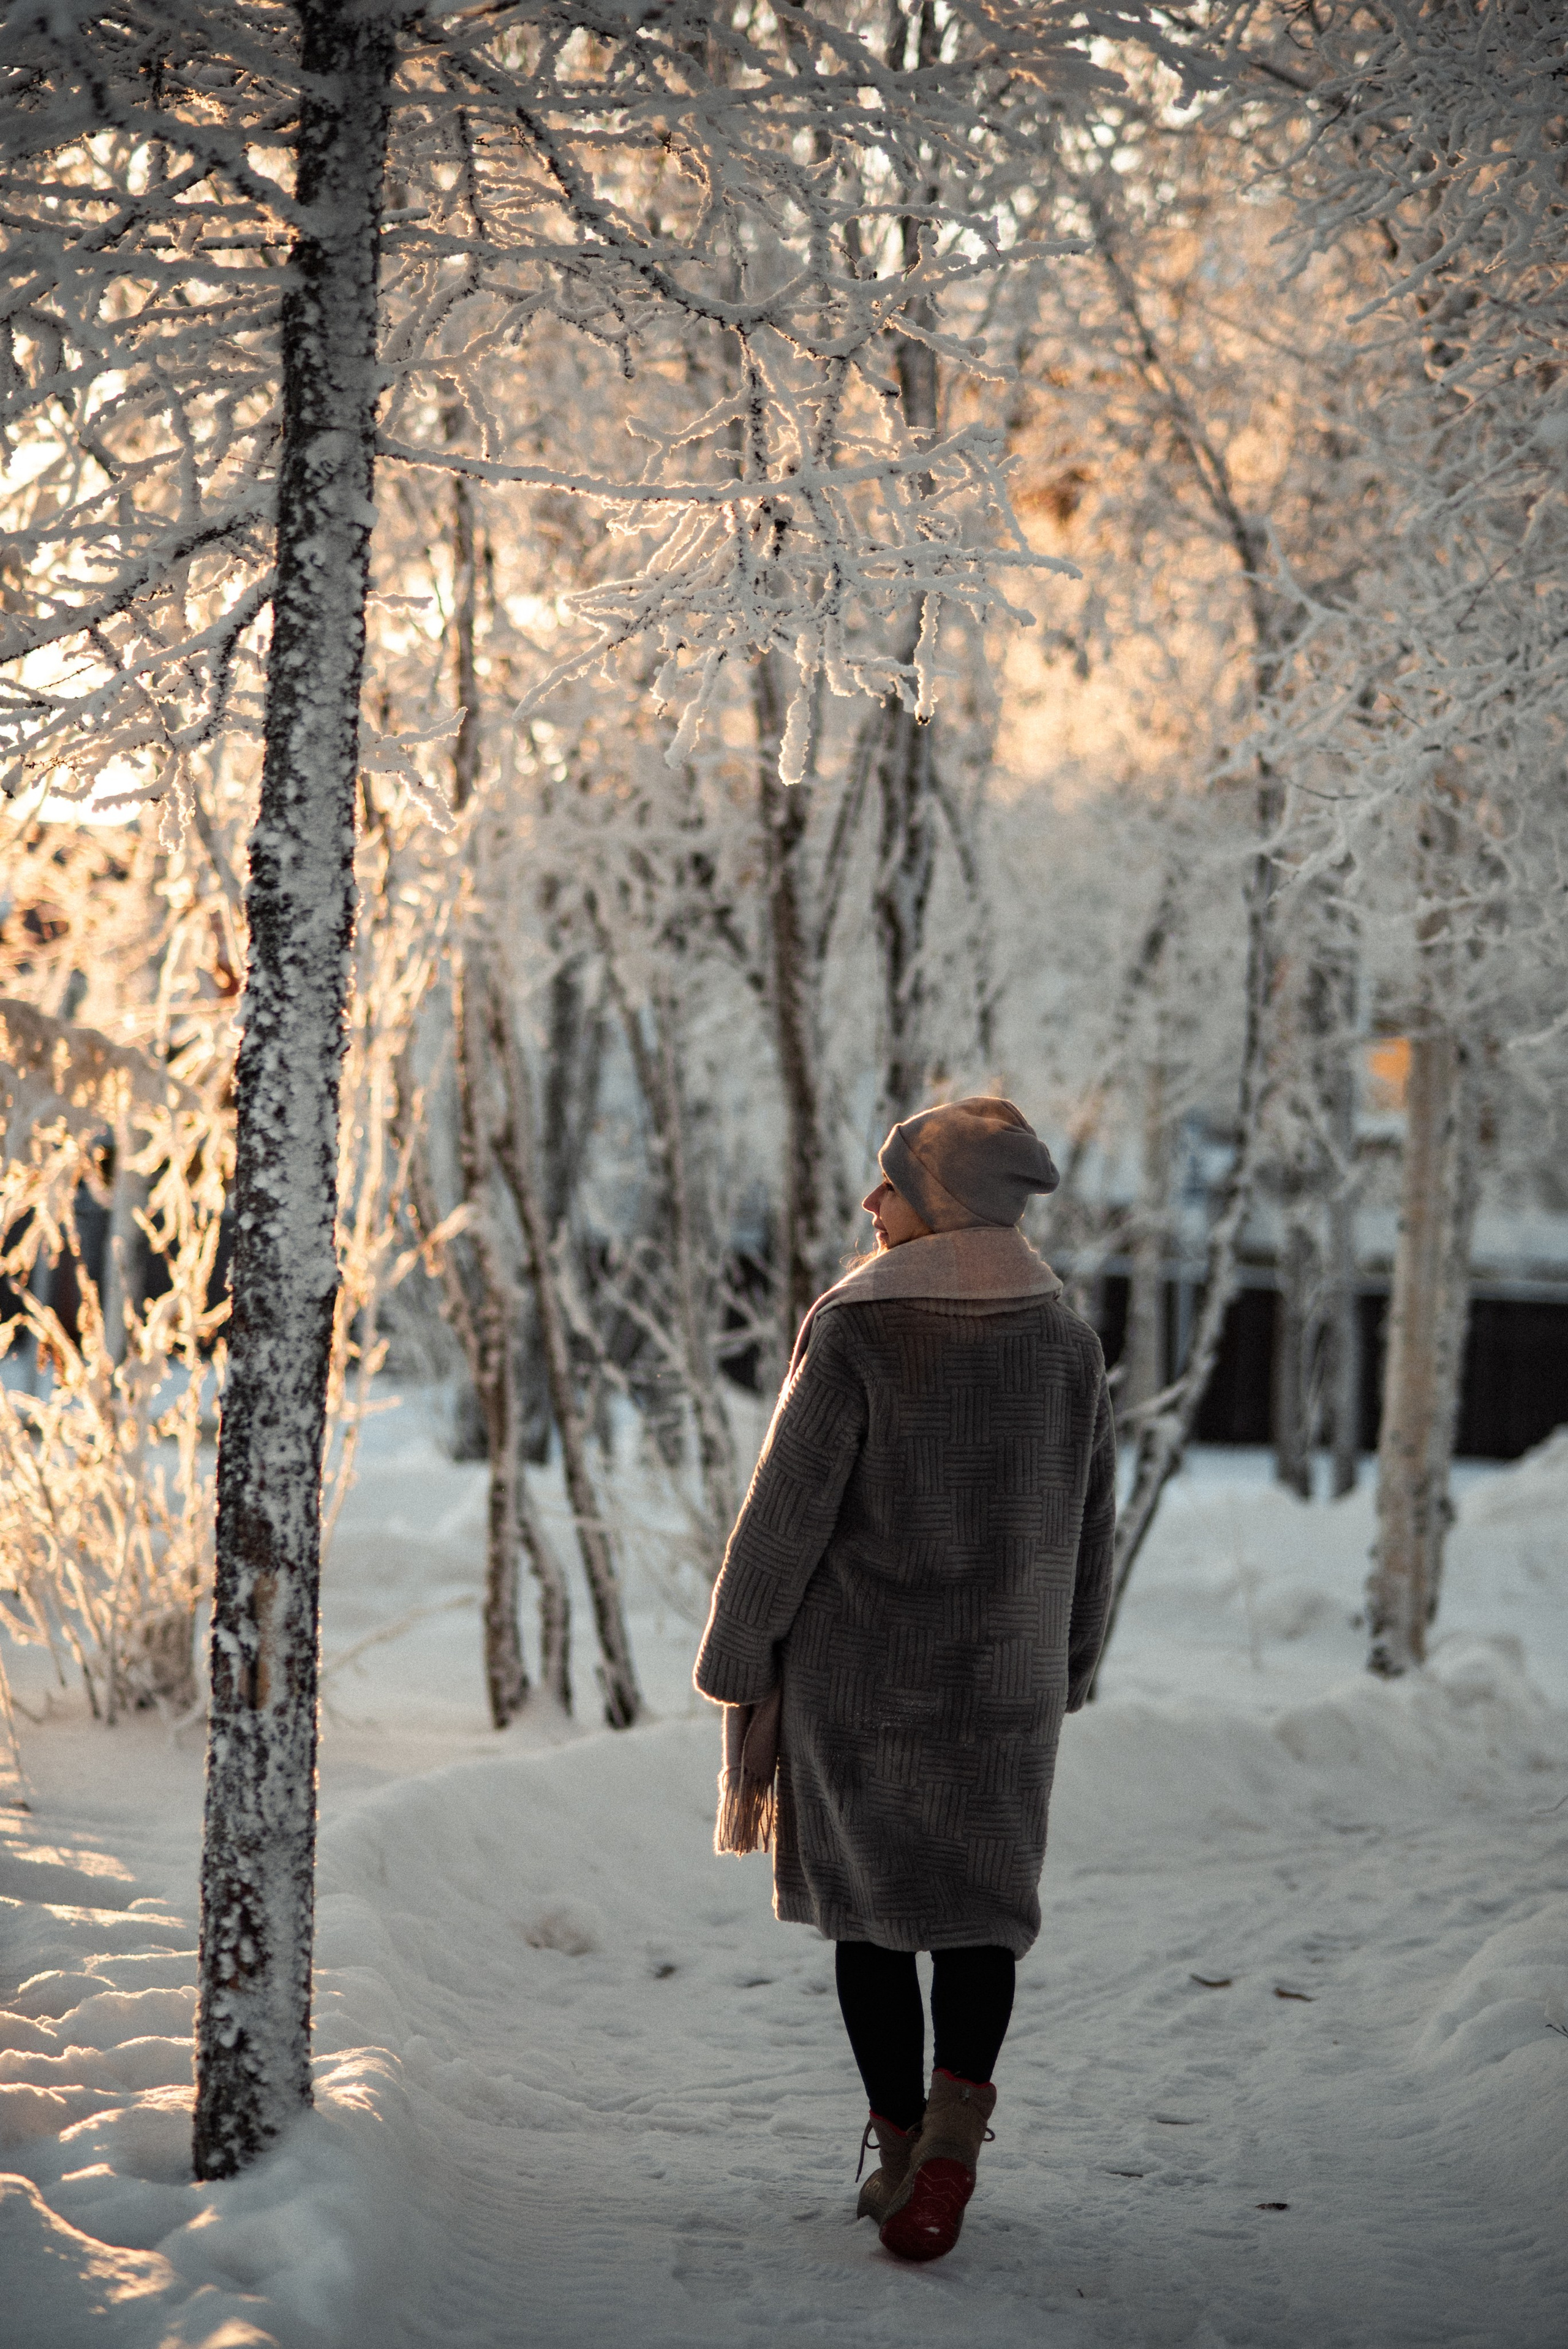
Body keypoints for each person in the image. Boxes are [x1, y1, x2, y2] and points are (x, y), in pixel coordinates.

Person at [693, 1096, 1116, 2263]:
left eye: (891, 1183)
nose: (870, 1203)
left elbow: (784, 1520)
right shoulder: (1067, 1340)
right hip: (1003, 1689)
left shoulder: (862, 1332)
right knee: (980, 1923)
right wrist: (1069, 1660)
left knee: (872, 1927)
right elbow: (1093, 1525)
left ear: (936, 1202)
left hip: (862, 1692)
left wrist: (738, 1658)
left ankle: (899, 2153)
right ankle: (951, 2153)